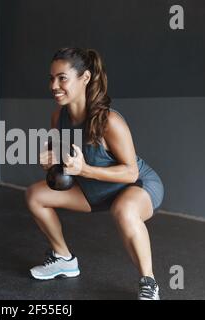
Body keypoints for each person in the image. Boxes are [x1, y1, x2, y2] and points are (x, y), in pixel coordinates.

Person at [25, 47, 165, 300]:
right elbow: (60, 156)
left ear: (85, 78)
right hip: (94, 189)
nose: (54, 85)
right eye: (51, 78)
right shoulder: (59, 117)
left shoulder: (110, 122)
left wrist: (85, 170)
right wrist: (49, 160)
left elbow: (131, 172)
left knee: (123, 211)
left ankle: (149, 282)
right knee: (35, 195)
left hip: (137, 186)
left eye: (62, 78)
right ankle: (64, 259)